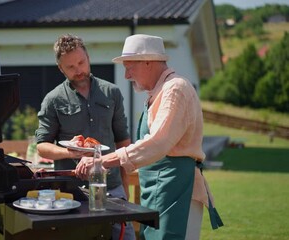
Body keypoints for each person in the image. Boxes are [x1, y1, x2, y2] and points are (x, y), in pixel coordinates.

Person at [75, 34, 224, 240]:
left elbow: (158, 142)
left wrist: (102, 161)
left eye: (129, 67)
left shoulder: (175, 89)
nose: (126, 75)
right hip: (160, 189)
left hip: (178, 189)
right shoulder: (159, 92)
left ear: (147, 62)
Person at [35, 33, 136, 240]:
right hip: (72, 191)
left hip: (112, 187)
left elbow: (124, 143)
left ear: (88, 58)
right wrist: (67, 151)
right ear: (60, 69)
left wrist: (125, 190)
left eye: (81, 62)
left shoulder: (112, 93)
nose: (78, 70)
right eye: (70, 67)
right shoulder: (53, 100)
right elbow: (42, 146)